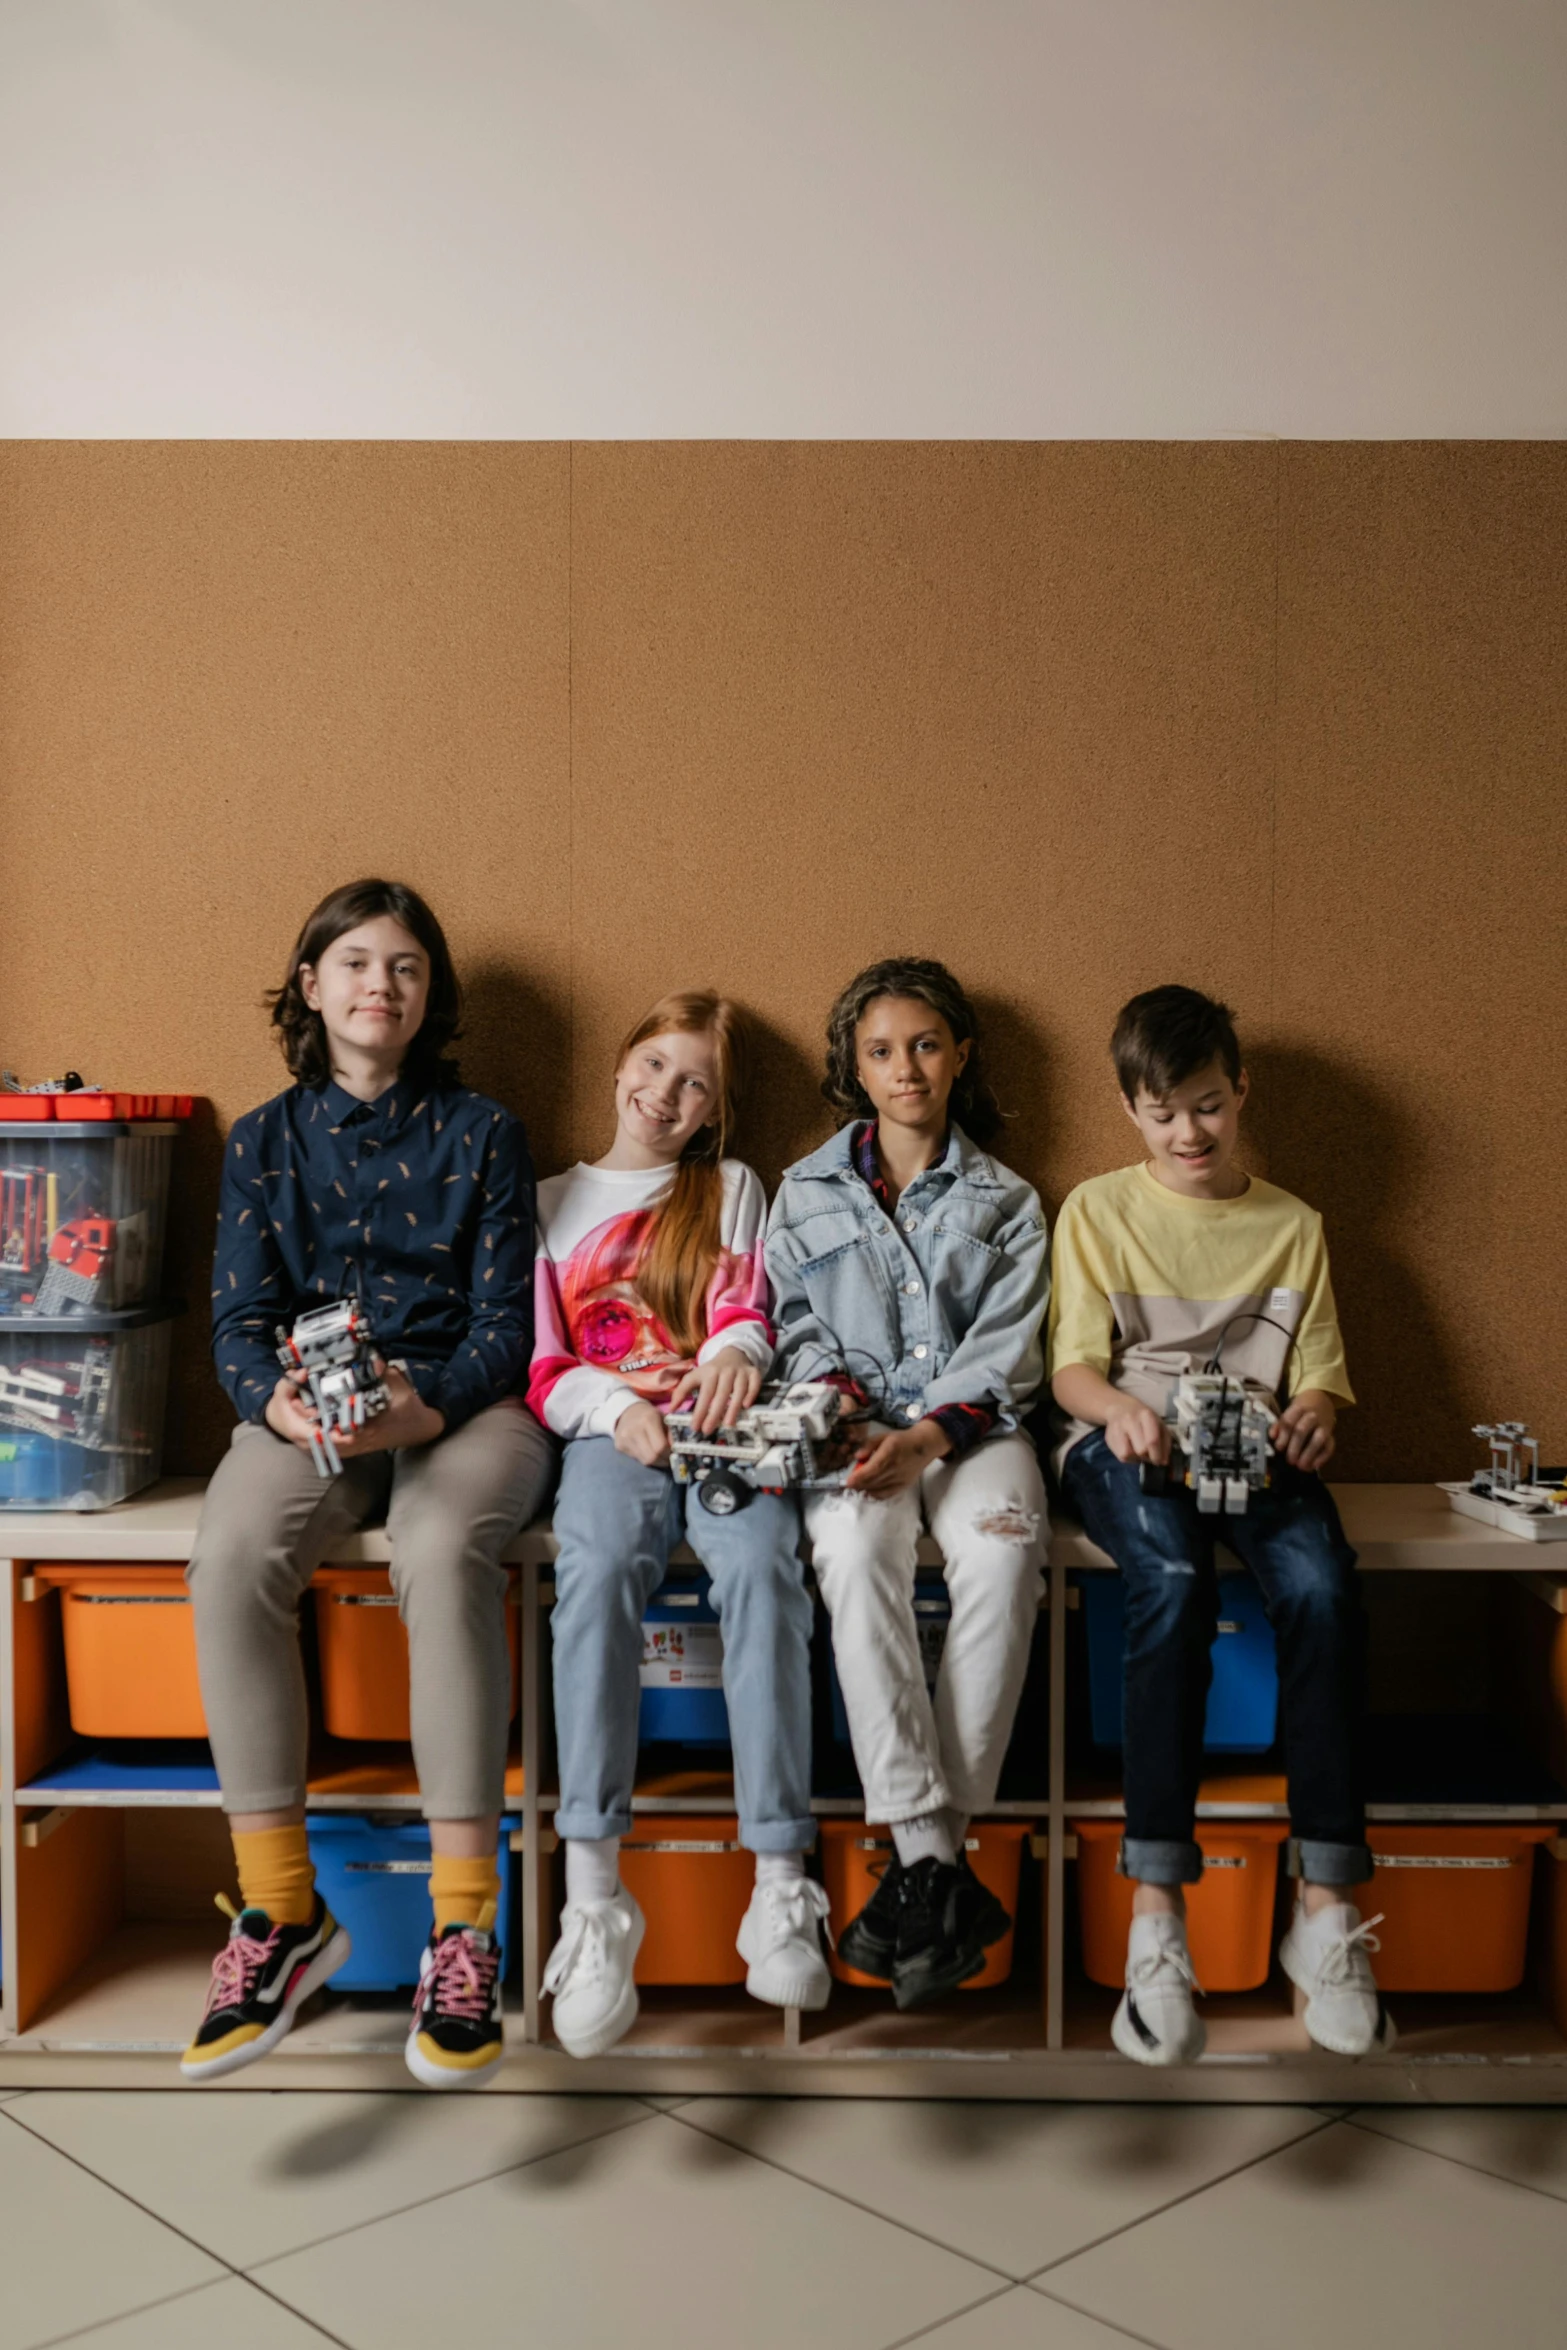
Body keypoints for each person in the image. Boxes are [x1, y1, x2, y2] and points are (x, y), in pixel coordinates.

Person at [182, 879, 553, 2089]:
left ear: (427, 993)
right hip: (310, 1414)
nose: (377, 986)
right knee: (231, 1553)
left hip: (461, 1408)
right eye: (353, 963)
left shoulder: (485, 1131)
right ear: (311, 986)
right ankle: (283, 1917)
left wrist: (427, 1404)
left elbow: (510, 1323)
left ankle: (464, 1929)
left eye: (402, 967)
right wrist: (271, 1401)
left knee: (441, 1553)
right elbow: (237, 1319)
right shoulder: (262, 1139)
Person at [1049, 983, 1390, 2064]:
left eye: (1205, 1105)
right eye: (1161, 1112)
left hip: (1252, 1450)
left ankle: (1325, 1913)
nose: (1186, 1132)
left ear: (1240, 1093)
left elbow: (1322, 1377)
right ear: (1128, 1110)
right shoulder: (1096, 1210)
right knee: (1173, 1584)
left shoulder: (1294, 1225)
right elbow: (1069, 1369)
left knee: (1323, 1588)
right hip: (1123, 1445)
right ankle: (1157, 1921)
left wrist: (1313, 1415)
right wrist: (1122, 1414)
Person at [532, 990, 828, 2058]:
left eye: (693, 1081)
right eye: (654, 1064)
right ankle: (595, 1899)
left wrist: (732, 1360)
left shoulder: (731, 1187)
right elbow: (545, 1366)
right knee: (598, 1570)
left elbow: (747, 1307)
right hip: (607, 1438)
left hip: (724, 1432)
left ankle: (781, 1880)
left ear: (714, 1111)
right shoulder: (550, 1200)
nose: (665, 1094)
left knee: (764, 1569)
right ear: (619, 1065)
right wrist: (617, 1412)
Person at [766, 957, 1050, 2009]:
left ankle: (924, 1859)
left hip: (973, 1434)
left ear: (960, 1053)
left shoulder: (1008, 1199)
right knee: (848, 1551)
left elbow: (1013, 1350)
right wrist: (844, 1408)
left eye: (926, 1044)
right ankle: (942, 1866)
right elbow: (794, 1325)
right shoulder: (803, 1191)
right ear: (854, 1064)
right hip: (855, 1432)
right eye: (881, 1050)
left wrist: (931, 1434)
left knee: (1003, 1548)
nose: (905, 1068)